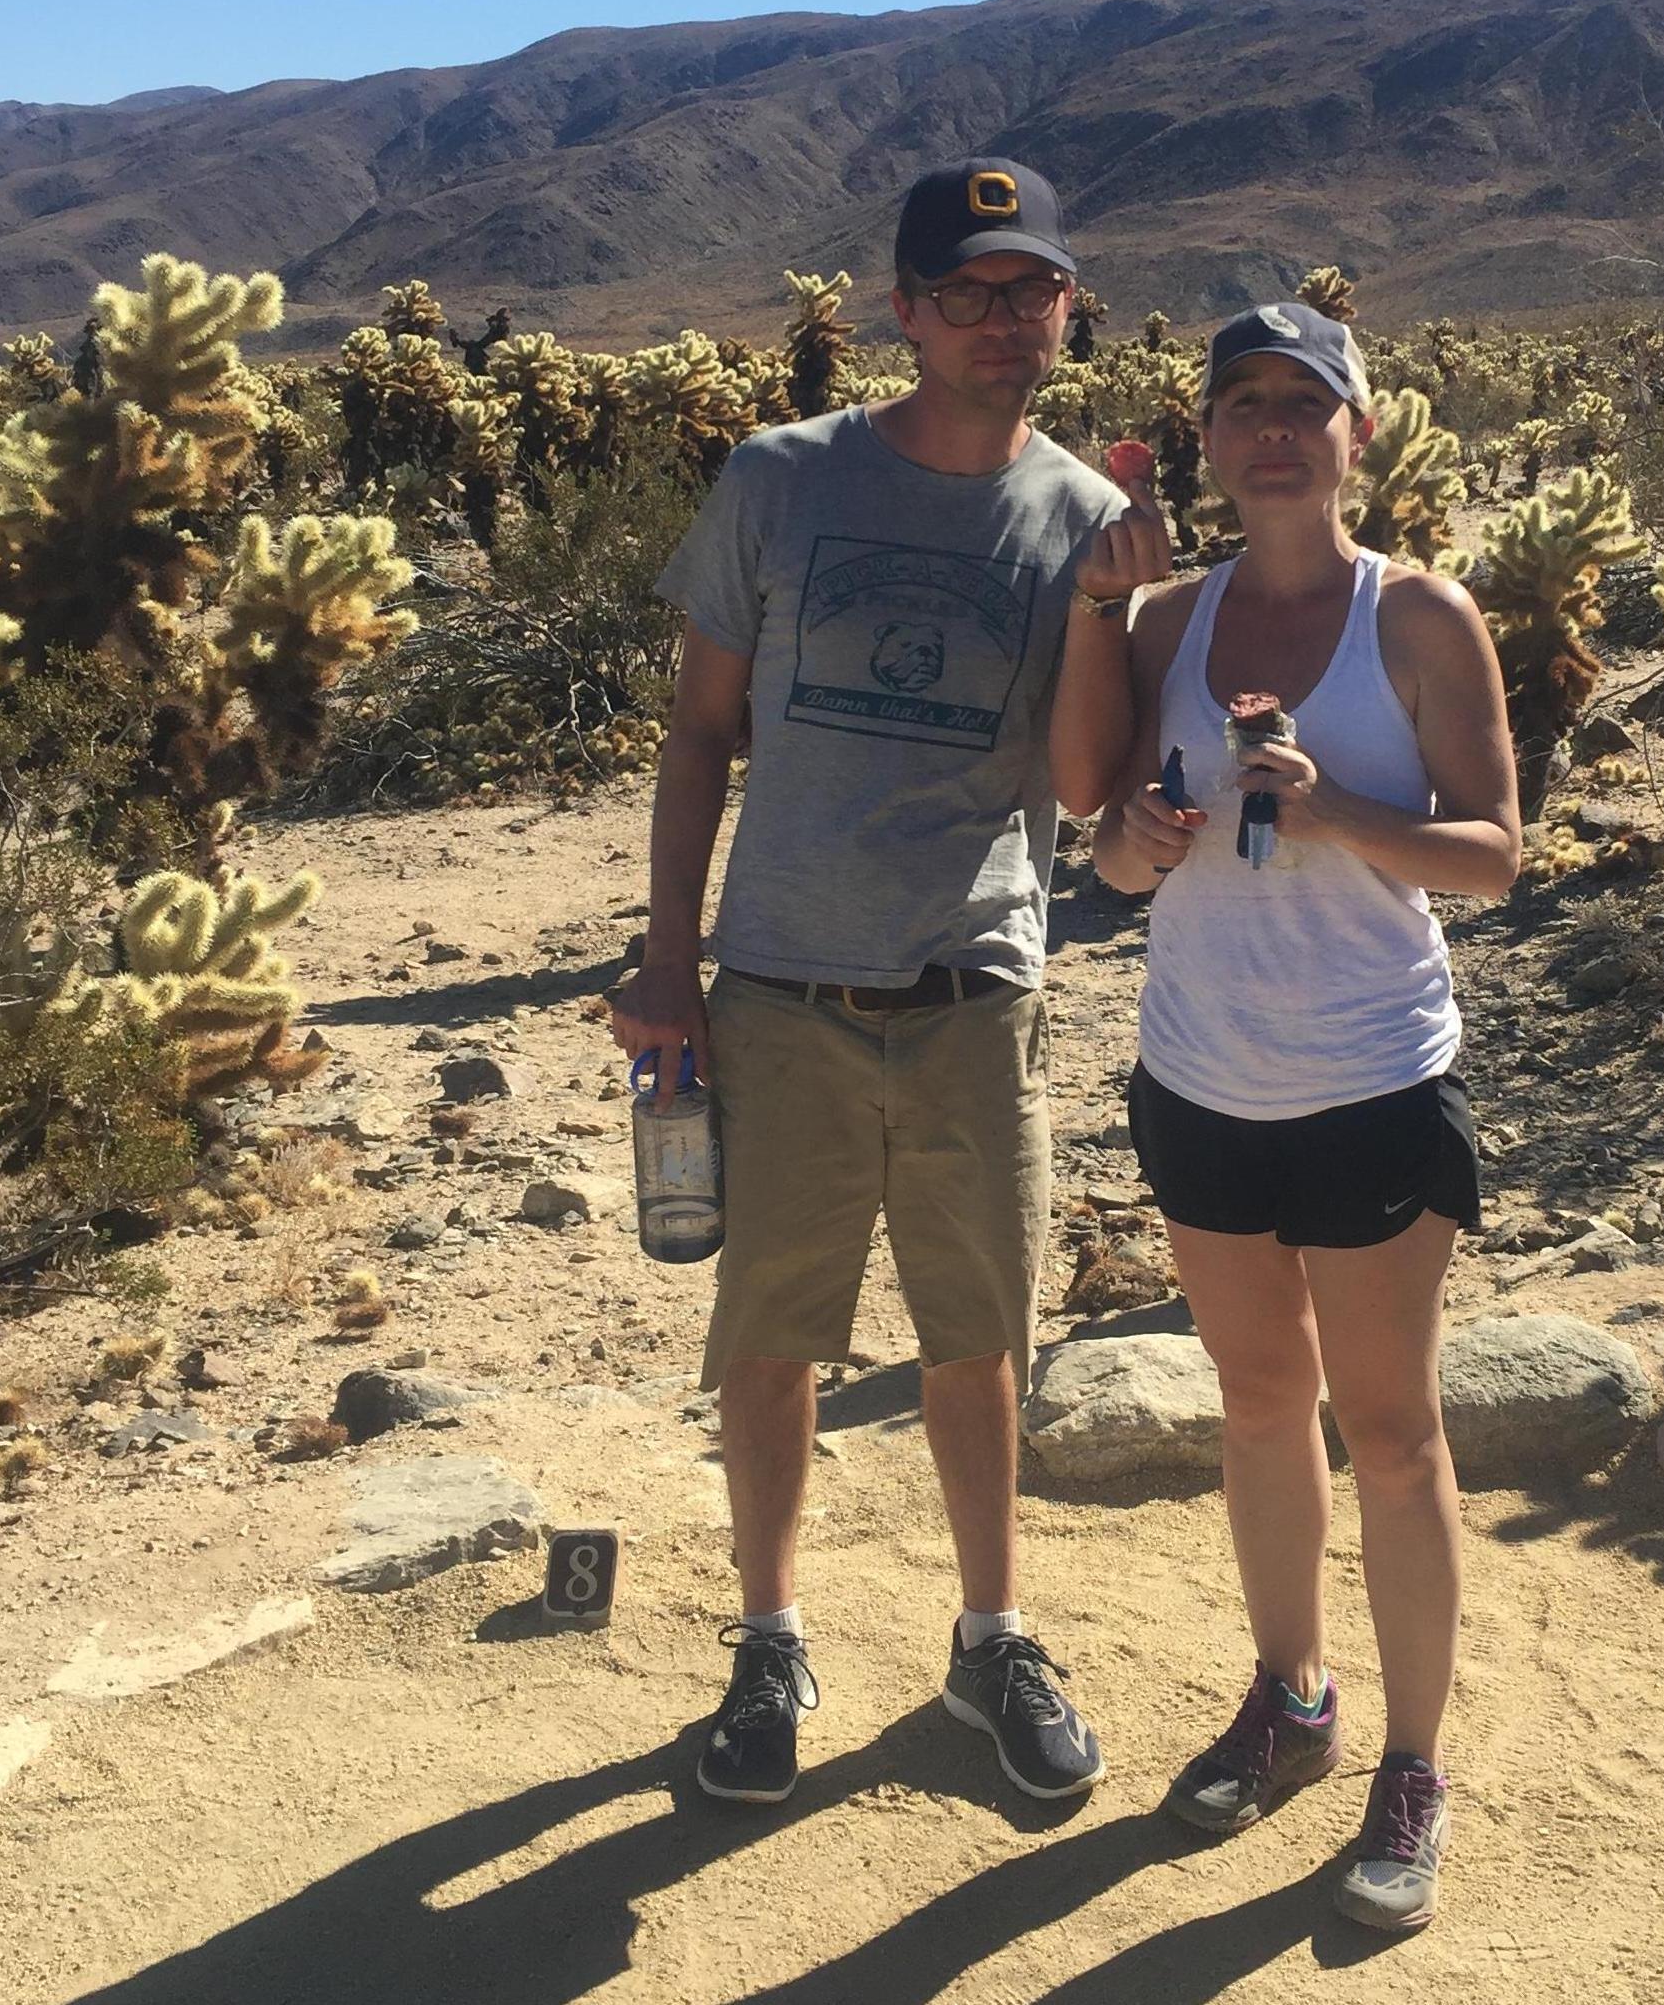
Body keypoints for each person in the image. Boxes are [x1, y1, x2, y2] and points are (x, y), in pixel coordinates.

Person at [614, 157, 1168, 1808]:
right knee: (769, 1332)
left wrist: (1110, 603)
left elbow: (1080, 787)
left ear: (1070, 305)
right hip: (778, 979)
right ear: (905, 314)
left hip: (974, 983)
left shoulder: (1086, 518)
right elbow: (701, 731)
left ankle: (991, 1634)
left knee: (975, 1332)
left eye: (1034, 289)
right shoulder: (779, 481)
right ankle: (770, 1633)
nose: (1004, 320)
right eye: (968, 293)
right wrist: (664, 954)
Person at [1057, 302, 1520, 1931]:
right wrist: (1143, 848)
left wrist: (1340, 813)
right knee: (1260, 1407)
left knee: (1391, 1436)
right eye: (1241, 402)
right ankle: (1291, 1697)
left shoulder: (1421, 619)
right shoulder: (1162, 617)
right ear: (1207, 437)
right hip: (1202, 1076)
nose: (1272, 429)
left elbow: (1494, 856)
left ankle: (1413, 1761)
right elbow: (1099, 843)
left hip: (1373, 1076)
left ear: (1358, 433)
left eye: (1302, 403)